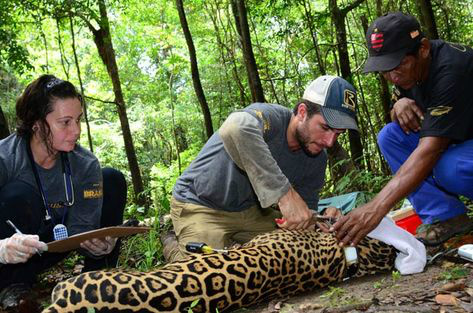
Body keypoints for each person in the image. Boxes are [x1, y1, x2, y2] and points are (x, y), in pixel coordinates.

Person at [163, 75, 359, 262]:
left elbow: (304, 212)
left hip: (254, 213)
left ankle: (232, 245)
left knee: (301, 253)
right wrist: (285, 194)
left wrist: (320, 218)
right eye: (325, 128)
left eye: (338, 134)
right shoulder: (269, 118)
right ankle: (172, 242)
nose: (330, 141)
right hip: (201, 203)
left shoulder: (317, 158)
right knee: (204, 279)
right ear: (302, 112)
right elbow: (235, 127)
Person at [333, 11, 473, 247]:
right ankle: (447, 217)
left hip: (458, 147)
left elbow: (430, 151)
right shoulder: (407, 73)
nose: (392, 76)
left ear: (424, 49)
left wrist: (376, 208)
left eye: (398, 65)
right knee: (390, 136)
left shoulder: (452, 69)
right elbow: (397, 112)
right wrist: (397, 104)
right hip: (461, 140)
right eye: (384, 69)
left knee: (447, 167)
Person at [0, 75, 127, 309]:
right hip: (12, 252)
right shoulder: (6, 157)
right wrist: (1, 249)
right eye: (65, 122)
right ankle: (13, 284)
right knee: (18, 194)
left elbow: (82, 230)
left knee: (112, 179)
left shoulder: (84, 163)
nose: (76, 131)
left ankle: (96, 278)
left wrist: (99, 246)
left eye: (78, 120)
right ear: (36, 122)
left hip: (56, 242)